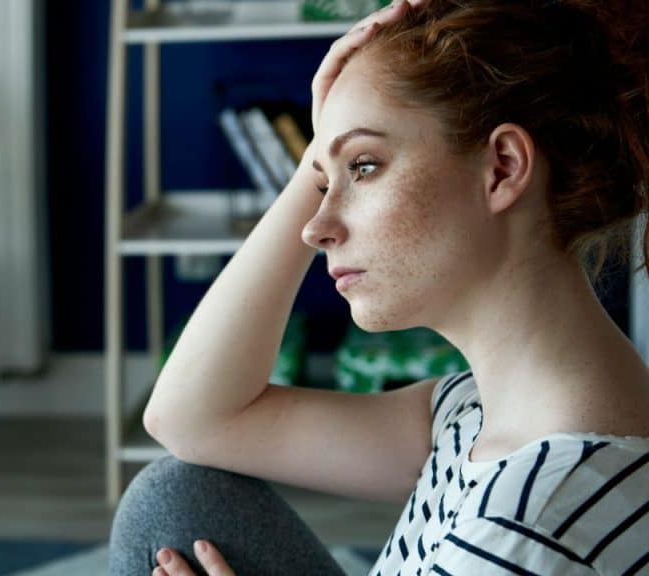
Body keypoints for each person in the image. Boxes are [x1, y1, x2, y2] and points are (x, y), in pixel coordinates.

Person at [108, 0, 649, 574]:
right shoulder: (472, 413)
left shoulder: (527, 533)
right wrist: (323, 154)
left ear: (503, 168)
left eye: (364, 166)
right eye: (324, 181)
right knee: (176, 496)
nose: (315, 227)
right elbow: (193, 421)